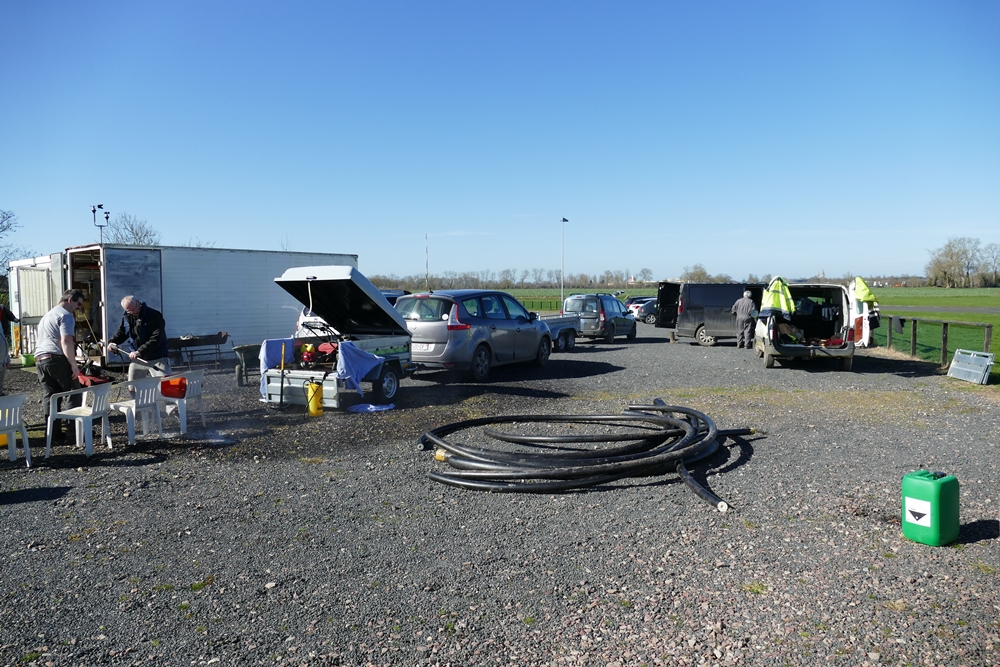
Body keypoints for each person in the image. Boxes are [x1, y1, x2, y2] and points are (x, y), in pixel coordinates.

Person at [35, 289, 85, 441]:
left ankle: (52, 432)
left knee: (51, 396)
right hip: (56, 357)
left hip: (40, 359)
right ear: (70, 300)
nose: (79, 307)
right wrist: (73, 364)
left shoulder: (47, 315)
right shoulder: (65, 316)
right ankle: (74, 431)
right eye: (78, 304)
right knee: (73, 392)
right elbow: (66, 341)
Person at [108, 295, 171, 381]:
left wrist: (140, 351)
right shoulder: (127, 316)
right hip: (138, 359)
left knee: (166, 384)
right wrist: (112, 342)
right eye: (129, 311)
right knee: (132, 386)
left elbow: (156, 338)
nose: (133, 312)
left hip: (157, 357)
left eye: (134, 309)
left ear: (138, 302)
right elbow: (122, 332)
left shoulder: (154, 315)